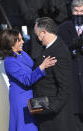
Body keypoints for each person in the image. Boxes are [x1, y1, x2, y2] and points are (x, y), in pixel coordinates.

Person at [0, 29, 57, 131]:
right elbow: (26, 80)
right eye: (19, 40)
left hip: (31, 96)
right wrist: (42, 66)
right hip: (22, 101)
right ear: (11, 44)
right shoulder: (9, 62)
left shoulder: (22, 53)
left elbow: (33, 68)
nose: (23, 42)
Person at [33, 17, 74, 131]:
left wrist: (52, 108)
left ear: (44, 32)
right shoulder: (47, 48)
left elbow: (65, 86)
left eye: (37, 34)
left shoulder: (59, 52)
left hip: (54, 117)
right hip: (44, 110)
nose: (36, 38)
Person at [58, 0, 83, 130]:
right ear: (71, 11)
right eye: (76, 11)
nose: (79, 14)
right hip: (73, 82)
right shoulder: (63, 28)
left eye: (82, 11)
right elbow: (59, 52)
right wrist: (72, 47)